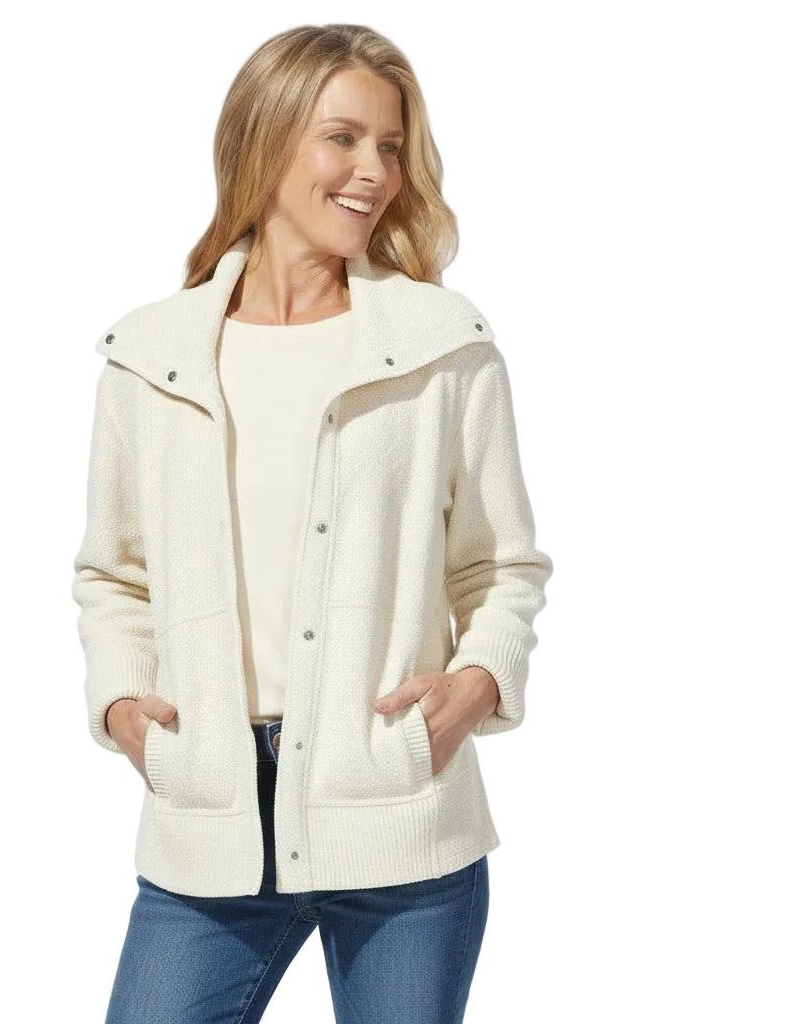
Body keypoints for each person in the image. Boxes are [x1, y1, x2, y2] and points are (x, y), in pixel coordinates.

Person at [72, 23, 553, 1024]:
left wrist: (473, 687)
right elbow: (114, 573)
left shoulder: (442, 347)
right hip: (208, 820)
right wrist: (122, 706)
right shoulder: (151, 359)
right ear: (265, 139)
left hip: (399, 818)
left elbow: (503, 566)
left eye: (391, 146)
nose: (373, 171)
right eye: (343, 138)